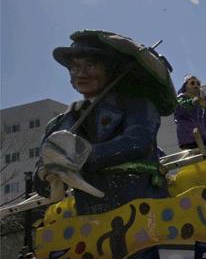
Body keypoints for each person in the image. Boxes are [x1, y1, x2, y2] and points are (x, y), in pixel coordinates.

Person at [34, 30, 171, 215]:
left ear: (109, 69)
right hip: (87, 214)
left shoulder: (138, 105)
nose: (81, 74)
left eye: (90, 65)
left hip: (141, 203)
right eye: (74, 68)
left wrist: (82, 156)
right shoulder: (59, 123)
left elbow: (137, 141)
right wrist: (48, 175)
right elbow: (41, 172)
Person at [174, 75, 206, 149]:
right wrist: (192, 102)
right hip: (188, 137)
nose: (196, 86)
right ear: (185, 86)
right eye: (192, 83)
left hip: (199, 136)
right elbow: (181, 107)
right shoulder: (181, 97)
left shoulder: (199, 100)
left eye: (198, 84)